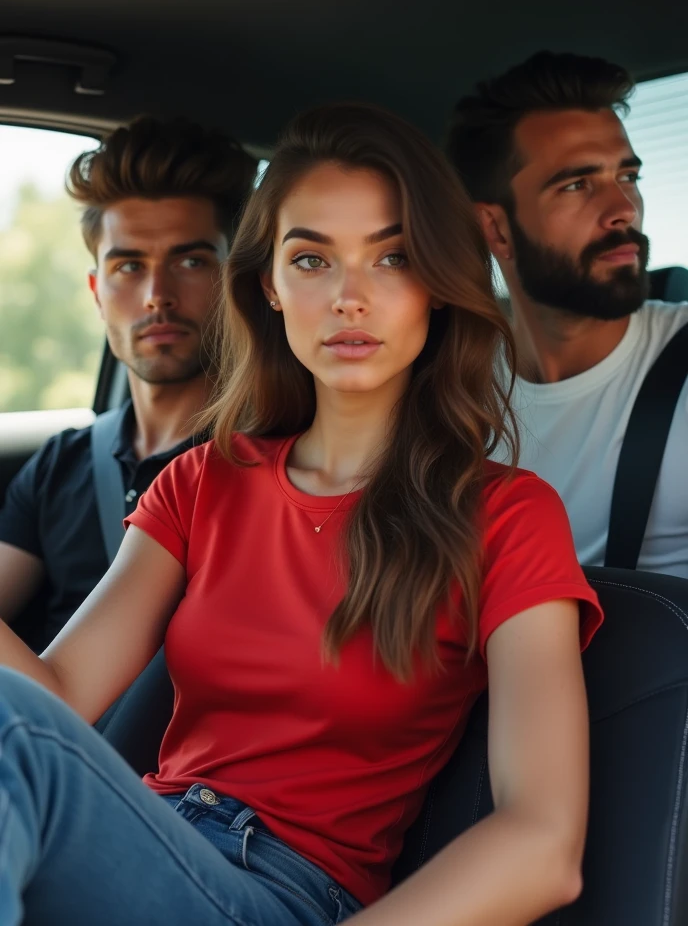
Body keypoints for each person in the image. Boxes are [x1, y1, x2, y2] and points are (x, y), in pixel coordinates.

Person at [0, 102, 602, 926]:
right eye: (313, 259)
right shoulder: (202, 481)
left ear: (438, 284)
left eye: (391, 257)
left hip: (284, 892)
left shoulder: (505, 517)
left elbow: (542, 841)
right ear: (271, 289)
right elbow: (59, 693)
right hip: (144, 837)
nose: (349, 297)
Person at [0, 116, 257, 649]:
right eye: (129, 266)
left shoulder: (272, 463)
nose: (156, 294)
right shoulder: (59, 465)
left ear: (236, 280)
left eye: (190, 260)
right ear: (96, 290)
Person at [447, 51, 688, 577]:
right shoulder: (453, 394)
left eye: (627, 175)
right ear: (496, 229)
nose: (622, 207)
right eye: (577, 185)